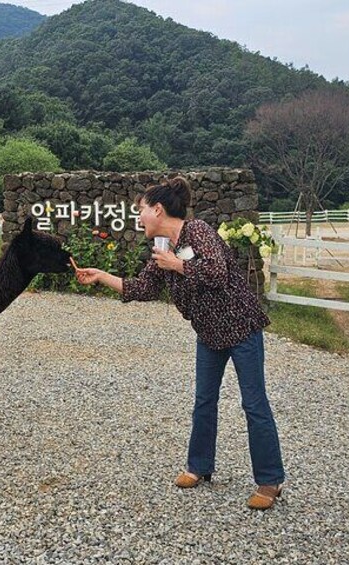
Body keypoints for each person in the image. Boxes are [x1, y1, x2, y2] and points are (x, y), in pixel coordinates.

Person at [75, 177, 285, 510]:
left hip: (242, 328)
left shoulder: (197, 231)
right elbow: (142, 288)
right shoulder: (161, 245)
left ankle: (270, 480)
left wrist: (178, 265)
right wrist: (101, 276)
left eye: (141, 211)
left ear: (158, 209)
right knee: (203, 401)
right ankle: (199, 466)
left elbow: (218, 272)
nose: (138, 218)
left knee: (254, 404)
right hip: (209, 334)